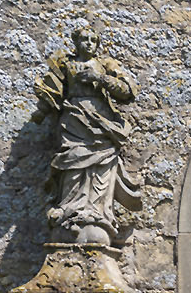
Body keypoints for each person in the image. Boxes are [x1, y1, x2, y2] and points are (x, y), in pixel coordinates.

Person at [33, 26, 142, 245]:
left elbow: (127, 90)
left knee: (102, 165)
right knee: (72, 160)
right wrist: (42, 111)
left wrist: (99, 78)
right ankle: (68, 210)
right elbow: (52, 91)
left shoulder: (105, 65)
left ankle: (97, 213)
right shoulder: (65, 64)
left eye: (93, 40)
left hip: (101, 123)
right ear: (76, 42)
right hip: (74, 120)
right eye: (85, 39)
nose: (89, 43)